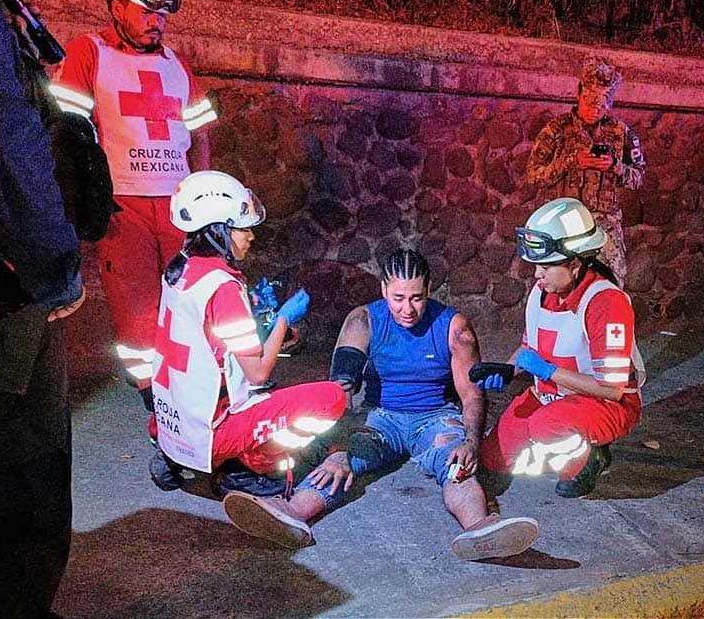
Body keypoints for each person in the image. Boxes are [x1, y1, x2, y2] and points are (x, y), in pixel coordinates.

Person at [222, 248, 540, 561]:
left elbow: (471, 394)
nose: (408, 309)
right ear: (384, 289)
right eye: (398, 298)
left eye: (416, 297)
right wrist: (339, 448)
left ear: (428, 289)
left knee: (458, 468)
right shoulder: (363, 320)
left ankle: (479, 528)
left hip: (435, 418)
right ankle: (291, 512)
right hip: (379, 417)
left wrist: (471, 442)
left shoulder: (454, 328)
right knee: (338, 466)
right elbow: (341, 388)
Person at [49, 0, 218, 422]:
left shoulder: (177, 64)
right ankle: (152, 394)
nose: (155, 21)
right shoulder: (89, 53)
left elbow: (199, 135)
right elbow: (67, 131)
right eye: (146, 10)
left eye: (164, 14)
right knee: (136, 306)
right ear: (116, 5)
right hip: (123, 203)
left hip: (179, 201)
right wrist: (83, 200)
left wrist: (201, 194)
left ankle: (197, 382)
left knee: (193, 297)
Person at [149, 170, 348, 511]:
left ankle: (173, 455)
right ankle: (252, 467)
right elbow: (256, 373)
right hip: (210, 433)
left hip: (171, 422)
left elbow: (207, 339)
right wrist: (284, 319)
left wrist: (253, 316)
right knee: (331, 398)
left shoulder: (180, 268)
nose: (251, 236)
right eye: (242, 227)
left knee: (264, 391)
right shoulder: (223, 287)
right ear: (218, 230)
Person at [0, 0, 85, 615]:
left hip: (10, 265)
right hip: (11, 280)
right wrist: (53, 261)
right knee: (23, 467)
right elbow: (7, 141)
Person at [476, 198, 645, 500]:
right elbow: (530, 346)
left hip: (604, 406)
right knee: (491, 461)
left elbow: (612, 390)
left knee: (545, 426)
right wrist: (507, 369)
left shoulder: (606, 303)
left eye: (545, 266)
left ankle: (588, 459)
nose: (536, 275)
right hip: (549, 396)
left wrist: (548, 371)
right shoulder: (542, 291)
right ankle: (561, 442)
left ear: (576, 263)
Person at [526, 56, 645, 285]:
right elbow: (534, 175)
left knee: (609, 287)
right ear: (578, 95)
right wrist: (572, 161)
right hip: (563, 226)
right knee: (561, 287)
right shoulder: (556, 130)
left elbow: (638, 178)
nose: (595, 111)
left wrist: (616, 167)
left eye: (601, 106)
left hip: (605, 228)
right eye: (590, 103)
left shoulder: (621, 133)